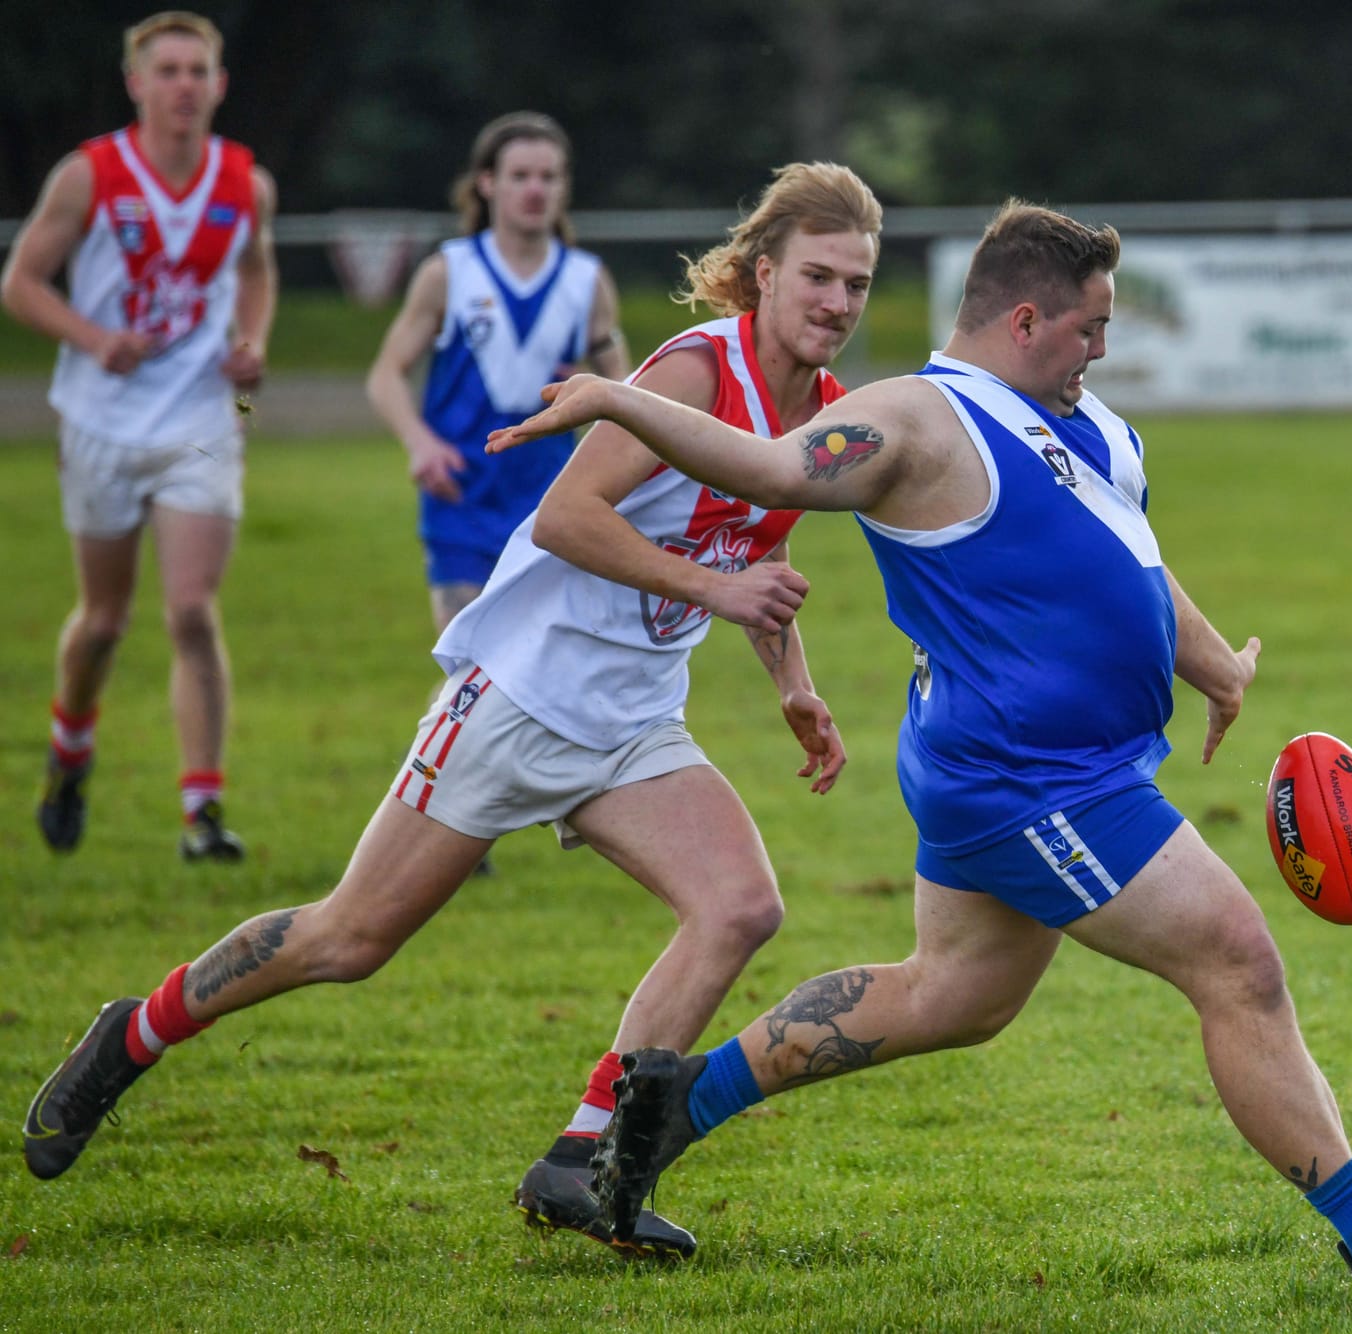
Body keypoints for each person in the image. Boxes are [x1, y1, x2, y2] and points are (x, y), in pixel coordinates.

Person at [483, 201, 1352, 1290]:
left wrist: (1211, 662)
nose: (1099, 348)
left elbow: (1128, 556)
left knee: (953, 995)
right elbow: (773, 470)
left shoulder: (1085, 420)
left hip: (1056, 765)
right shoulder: (913, 422)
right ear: (1024, 321)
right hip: (1028, 778)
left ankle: (678, 1103)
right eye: (1087, 328)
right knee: (1235, 958)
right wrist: (619, 400)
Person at [22, 163, 886, 1262]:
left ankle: (577, 1162)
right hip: (517, 697)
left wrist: (792, 682)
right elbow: (567, 517)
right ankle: (134, 1033)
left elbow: (749, 551)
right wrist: (714, 593)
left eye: (857, 283)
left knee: (739, 907)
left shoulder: (822, 407)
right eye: (818, 276)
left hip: (630, 722)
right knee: (349, 939)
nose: (837, 302)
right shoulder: (693, 374)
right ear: (761, 273)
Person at [0, 10, 277, 861]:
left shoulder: (246, 182)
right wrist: (93, 339)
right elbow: (21, 283)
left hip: (199, 419)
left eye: (198, 71)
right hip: (101, 421)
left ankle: (202, 812)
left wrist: (252, 342)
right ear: (137, 83)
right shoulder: (89, 174)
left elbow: (257, 270)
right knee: (104, 622)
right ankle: (70, 747)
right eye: (168, 71)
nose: (184, 86)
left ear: (220, 85)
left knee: (191, 610)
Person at [365, 112, 629, 640]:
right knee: (467, 658)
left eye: (548, 177)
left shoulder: (587, 281)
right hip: (461, 497)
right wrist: (420, 444)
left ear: (564, 187)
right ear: (487, 183)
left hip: (553, 501)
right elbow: (386, 375)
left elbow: (629, 393)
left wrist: (597, 398)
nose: (535, 190)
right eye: (520, 176)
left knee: (539, 664)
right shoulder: (449, 272)